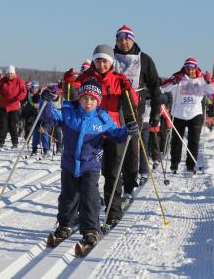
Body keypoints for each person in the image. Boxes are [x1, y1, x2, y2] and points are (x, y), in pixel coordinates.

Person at [41, 79, 139, 245]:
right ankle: (66, 224)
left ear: (98, 100)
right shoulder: (68, 113)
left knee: (89, 198)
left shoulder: (102, 119)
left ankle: (91, 229)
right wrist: (46, 101)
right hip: (69, 164)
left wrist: (128, 130)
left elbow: (117, 134)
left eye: (93, 99)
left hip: (90, 165)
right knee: (68, 197)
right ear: (79, 99)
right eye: (85, 98)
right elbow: (50, 117)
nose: (88, 102)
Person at [64, 44, 139, 227]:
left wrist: (127, 88)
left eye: (105, 61)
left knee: (112, 172)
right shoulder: (85, 77)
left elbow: (133, 103)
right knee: (86, 174)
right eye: (98, 60)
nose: (102, 64)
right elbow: (70, 97)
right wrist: (67, 83)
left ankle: (113, 212)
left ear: (111, 62)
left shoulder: (118, 79)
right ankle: (84, 210)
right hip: (89, 132)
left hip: (111, 129)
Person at [113, 25, 161, 199]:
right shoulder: (111, 58)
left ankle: (129, 186)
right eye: (120, 39)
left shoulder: (144, 59)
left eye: (126, 38)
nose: (123, 42)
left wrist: (155, 112)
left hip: (134, 109)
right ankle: (113, 186)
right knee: (114, 149)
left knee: (132, 148)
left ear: (132, 40)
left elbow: (155, 87)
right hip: (112, 108)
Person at [161, 58, 214, 173]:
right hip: (178, 113)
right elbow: (163, 88)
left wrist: (208, 81)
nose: (190, 71)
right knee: (176, 140)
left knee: (194, 140)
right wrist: (174, 82)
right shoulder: (177, 77)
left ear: (196, 68)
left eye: (192, 69)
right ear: (184, 68)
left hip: (195, 114)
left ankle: (191, 165)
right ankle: (174, 164)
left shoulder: (201, 79)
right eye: (188, 68)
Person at [0, 65, 27, 148]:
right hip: (3, 106)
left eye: (11, 73)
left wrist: (18, 98)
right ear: (6, 74)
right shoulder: (2, 81)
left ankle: (15, 142)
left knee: (13, 125)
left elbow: (23, 92)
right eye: (8, 74)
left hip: (14, 107)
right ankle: (1, 141)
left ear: (14, 73)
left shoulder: (19, 81)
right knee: (3, 125)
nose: (10, 75)